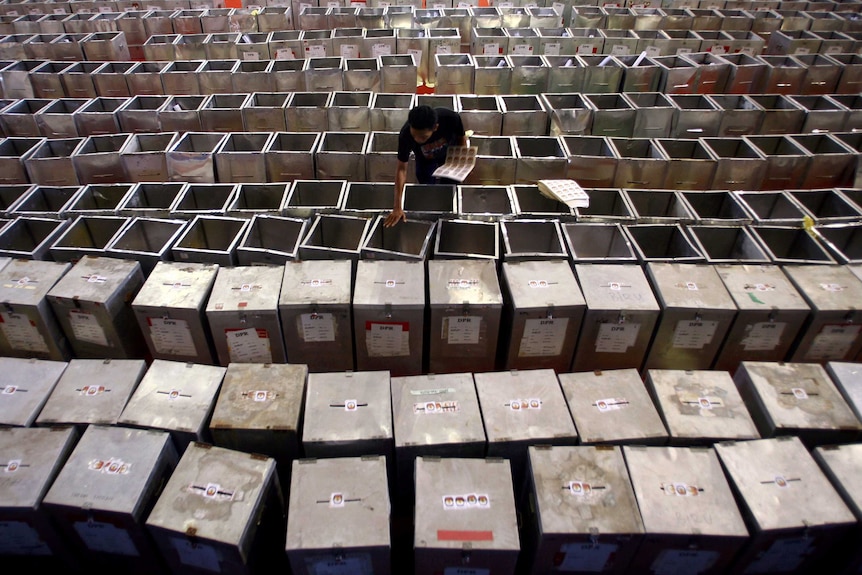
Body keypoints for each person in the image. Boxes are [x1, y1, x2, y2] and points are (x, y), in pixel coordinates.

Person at [384, 105, 467, 227]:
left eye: (423, 137)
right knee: (427, 189)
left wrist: (461, 162)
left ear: (435, 128)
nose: (417, 140)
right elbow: (401, 168)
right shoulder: (405, 134)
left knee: (449, 189)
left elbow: (462, 138)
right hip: (425, 159)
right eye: (414, 135)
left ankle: (447, 221)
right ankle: (430, 221)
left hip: (449, 155)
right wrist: (397, 207)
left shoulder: (451, 118)